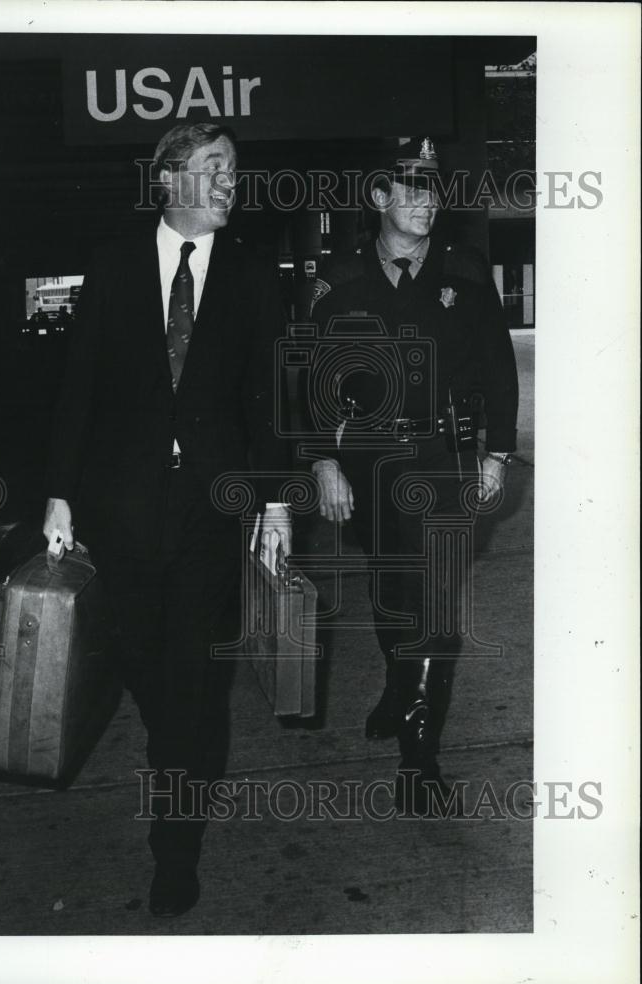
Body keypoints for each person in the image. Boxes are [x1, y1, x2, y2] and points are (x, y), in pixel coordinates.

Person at [43, 122, 291, 916]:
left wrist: (276, 501)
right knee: (142, 662)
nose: (230, 183)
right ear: (171, 178)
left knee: (191, 679)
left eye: (232, 170)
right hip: (118, 505)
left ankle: (173, 848)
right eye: (214, 168)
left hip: (211, 509)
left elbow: (269, 398)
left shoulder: (252, 274)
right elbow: (77, 387)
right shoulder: (114, 266)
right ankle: (170, 736)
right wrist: (58, 492)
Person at [309, 138, 519, 815]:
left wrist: (496, 453)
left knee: (432, 603)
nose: (428, 202)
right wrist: (323, 459)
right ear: (378, 199)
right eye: (411, 190)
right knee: (390, 586)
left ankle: (417, 753)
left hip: (442, 460)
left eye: (433, 190)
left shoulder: (465, 271)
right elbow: (311, 382)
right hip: (370, 462)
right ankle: (400, 689)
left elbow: (496, 367)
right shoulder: (338, 278)